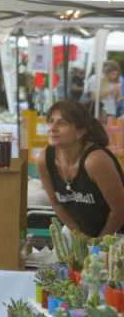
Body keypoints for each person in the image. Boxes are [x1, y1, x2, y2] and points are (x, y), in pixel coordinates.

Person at [38, 100, 124, 237]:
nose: (52, 128)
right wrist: (81, 237)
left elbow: (119, 211)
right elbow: (56, 204)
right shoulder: (44, 160)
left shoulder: (95, 161)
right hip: (79, 232)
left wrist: (97, 245)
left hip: (115, 233)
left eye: (62, 123)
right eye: (51, 121)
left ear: (80, 131)